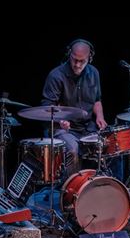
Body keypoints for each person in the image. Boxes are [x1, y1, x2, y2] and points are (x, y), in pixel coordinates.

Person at [41, 39, 107, 177]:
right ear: (69, 54)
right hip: (63, 129)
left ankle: (112, 186)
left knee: (111, 145)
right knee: (73, 149)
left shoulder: (94, 73)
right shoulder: (56, 75)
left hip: (87, 128)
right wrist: (60, 120)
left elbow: (97, 100)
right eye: (74, 60)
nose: (77, 65)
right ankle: (72, 188)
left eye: (82, 61)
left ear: (90, 58)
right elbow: (47, 106)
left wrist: (100, 116)